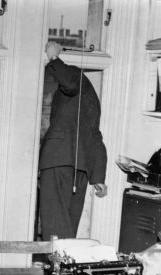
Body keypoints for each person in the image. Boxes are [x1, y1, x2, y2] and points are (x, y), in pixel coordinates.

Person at [39, 42, 108, 241]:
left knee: (55, 230)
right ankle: (65, 270)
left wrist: (53, 57)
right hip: (81, 169)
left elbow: (69, 82)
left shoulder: (75, 75)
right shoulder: (91, 98)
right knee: (67, 228)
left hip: (58, 161)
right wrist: (99, 177)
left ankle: (58, 270)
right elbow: (96, 136)